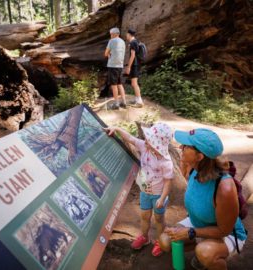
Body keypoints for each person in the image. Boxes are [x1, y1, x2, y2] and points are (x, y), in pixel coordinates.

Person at [159, 128, 247, 269]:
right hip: (199, 224)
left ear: (200, 157)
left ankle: (210, 256)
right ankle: (203, 249)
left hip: (228, 234)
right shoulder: (194, 168)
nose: (181, 147)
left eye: (186, 146)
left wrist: (191, 232)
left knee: (205, 253)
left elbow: (224, 230)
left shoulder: (224, 188)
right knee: (165, 240)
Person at [105, 123, 174, 256]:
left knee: (159, 219)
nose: (146, 141)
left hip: (158, 195)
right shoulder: (144, 146)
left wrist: (162, 198)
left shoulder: (166, 161)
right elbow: (130, 138)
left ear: (157, 144)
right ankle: (144, 237)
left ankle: (160, 241)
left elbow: (168, 183)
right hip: (145, 192)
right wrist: (118, 128)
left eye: (150, 140)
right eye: (148, 139)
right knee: (144, 216)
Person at [105, 27, 127, 110]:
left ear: (115, 34)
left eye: (111, 34)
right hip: (120, 66)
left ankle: (116, 104)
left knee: (114, 85)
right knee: (120, 84)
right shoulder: (123, 42)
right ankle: (124, 102)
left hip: (112, 66)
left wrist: (109, 55)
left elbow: (106, 53)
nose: (110, 36)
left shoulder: (111, 41)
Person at [125, 29, 144, 108]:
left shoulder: (133, 42)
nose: (126, 36)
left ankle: (139, 102)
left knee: (134, 83)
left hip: (134, 65)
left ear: (129, 34)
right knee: (133, 83)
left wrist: (128, 67)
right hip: (136, 64)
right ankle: (137, 99)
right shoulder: (136, 41)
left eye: (127, 34)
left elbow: (133, 55)